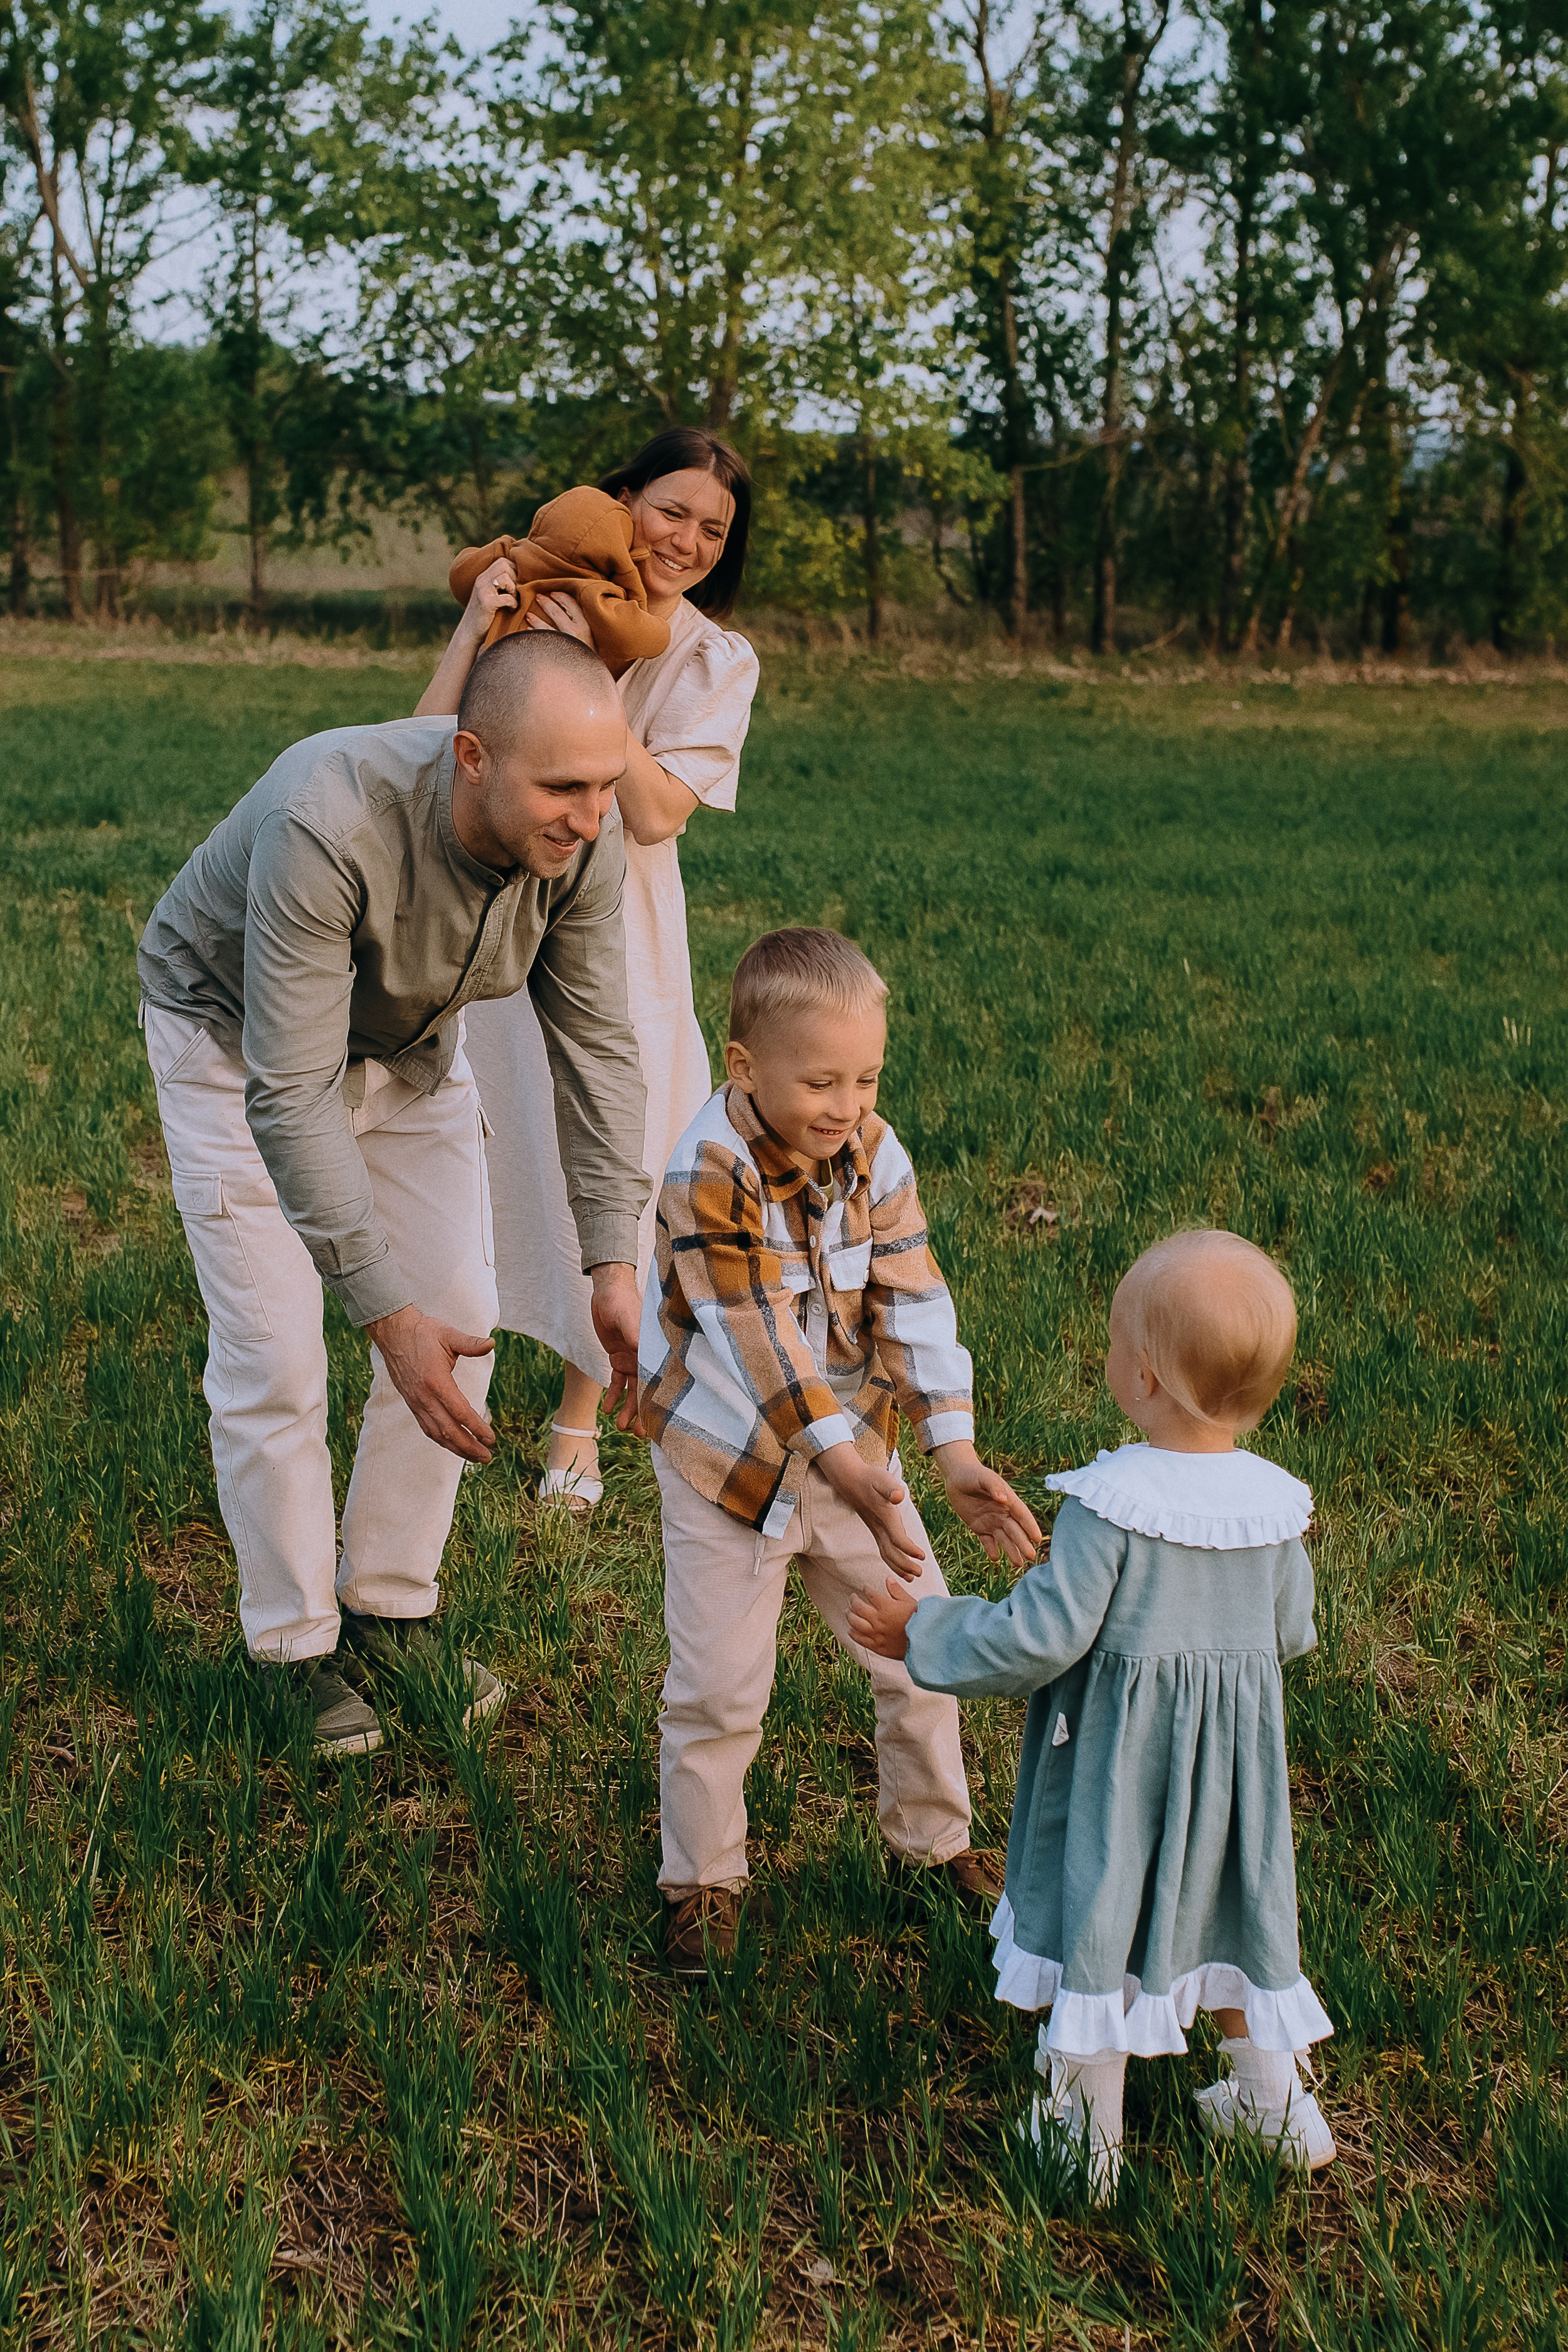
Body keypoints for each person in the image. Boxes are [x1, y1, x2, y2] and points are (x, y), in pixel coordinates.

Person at [137, 632, 650, 1754]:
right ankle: (288, 1647)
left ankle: (388, 1605)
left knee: (459, 1318)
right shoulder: (330, 817)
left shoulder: (581, 843)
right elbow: (291, 1090)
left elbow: (601, 1051)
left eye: (606, 784)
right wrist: (381, 1310)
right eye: (562, 785)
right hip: (236, 1051)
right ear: (471, 756)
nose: (590, 813)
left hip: (412, 1050)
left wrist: (613, 1262)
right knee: (277, 1356)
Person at [849, 1229, 1336, 2198]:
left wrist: (927, 1633)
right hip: (1232, 1783)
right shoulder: (1271, 1510)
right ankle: (1279, 2105)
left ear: (1145, 1377)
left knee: (1102, 1911)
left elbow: (1039, 1638)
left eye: (1116, 1342)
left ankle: (1084, 2128)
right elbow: (1290, 1630)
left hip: (1123, 1771)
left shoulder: (1111, 1508)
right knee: (1234, 1914)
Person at [638, 928, 1044, 1975]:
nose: (846, 1104)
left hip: (863, 1457)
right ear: (745, 1067)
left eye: (865, 1077)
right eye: (820, 1080)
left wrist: (949, 1448)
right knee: (720, 1687)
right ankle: (701, 1881)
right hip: (732, 1469)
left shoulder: (875, 1151)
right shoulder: (708, 1170)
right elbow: (757, 1340)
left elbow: (911, 1294)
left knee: (923, 1648)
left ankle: (933, 1841)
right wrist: (842, 1461)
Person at [417, 427, 760, 1516]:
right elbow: (425, 744)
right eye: (671, 511)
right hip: (485, 906)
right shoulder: (533, 606)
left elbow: (653, 812)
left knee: (610, 1155)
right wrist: (484, 625)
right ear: (620, 502)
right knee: (471, 1142)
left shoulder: (713, 659)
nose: (689, 540)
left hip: (617, 930)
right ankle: (448, 1374)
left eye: (715, 528)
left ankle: (579, 1418)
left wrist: (594, 675)